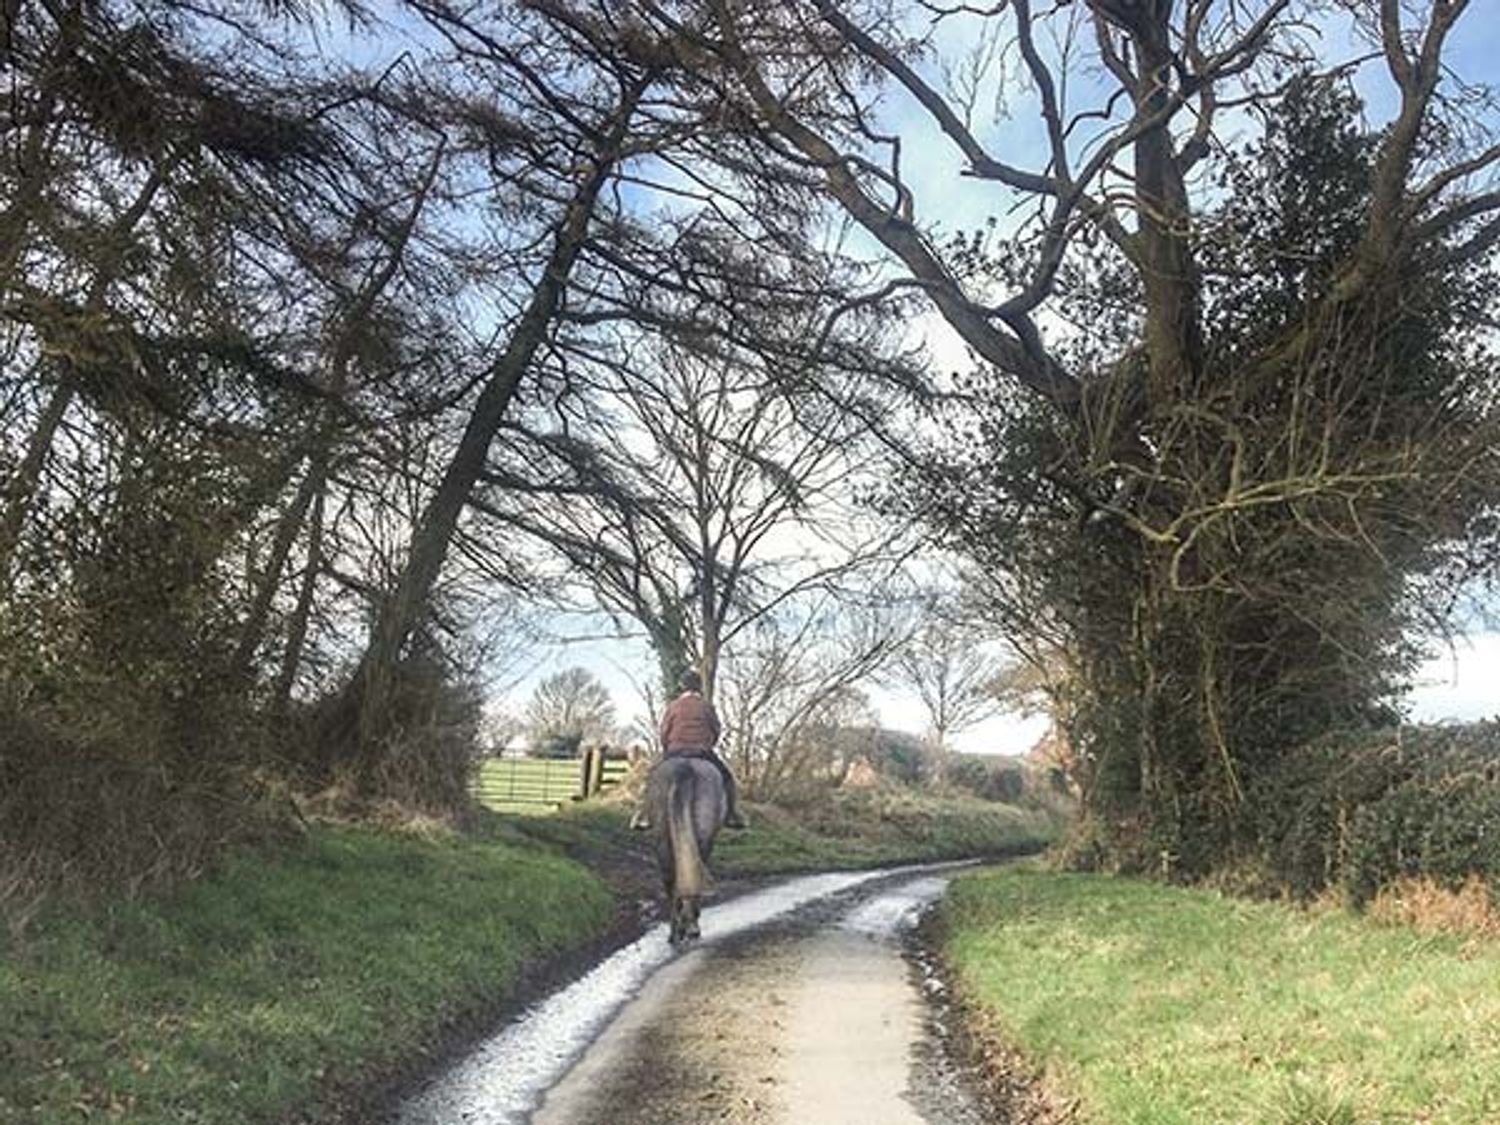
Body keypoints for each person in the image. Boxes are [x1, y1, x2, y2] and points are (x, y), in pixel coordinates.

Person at [630, 669, 748, 830]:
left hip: (675, 751)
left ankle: (644, 815)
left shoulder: (673, 706)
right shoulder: (707, 706)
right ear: (700, 687)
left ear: (681, 687)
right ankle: (732, 814)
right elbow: (716, 730)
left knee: (651, 777)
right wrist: (707, 743)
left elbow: (664, 732)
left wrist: (668, 748)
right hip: (702, 752)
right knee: (727, 778)